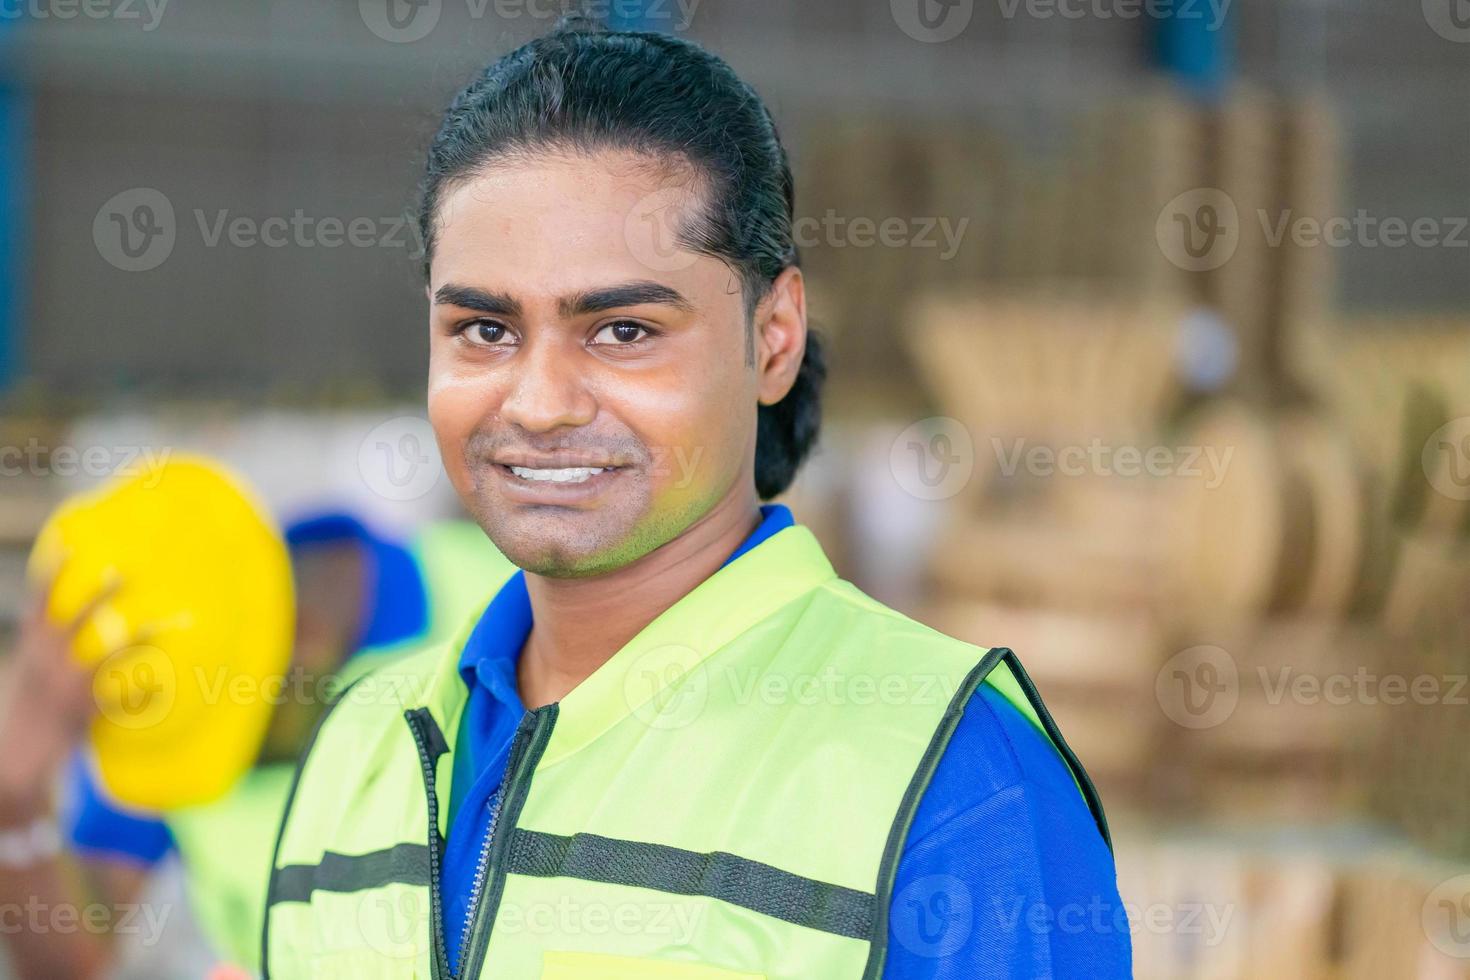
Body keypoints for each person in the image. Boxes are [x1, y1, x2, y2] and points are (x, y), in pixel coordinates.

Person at [261, 18, 1131, 979]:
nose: (541, 404)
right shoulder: (359, 756)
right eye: (484, 329)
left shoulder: (953, 783)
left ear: (774, 337)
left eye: (624, 329)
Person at [0, 512, 513, 978]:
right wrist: (15, 808)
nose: (205, 784)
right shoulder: (163, 700)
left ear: (304, 642)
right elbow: (73, 962)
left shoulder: (516, 599)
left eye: (230, 755)